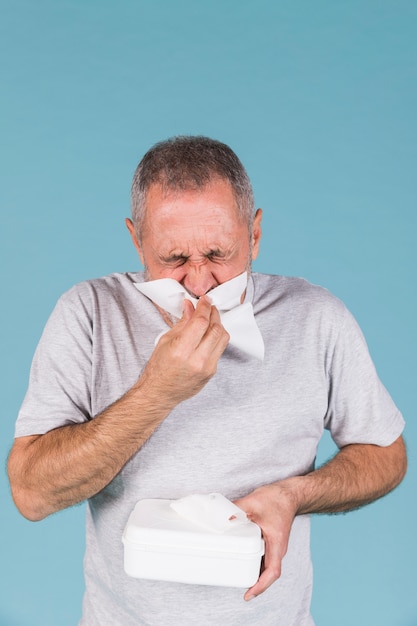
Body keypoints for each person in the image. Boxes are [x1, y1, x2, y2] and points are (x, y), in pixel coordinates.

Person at [8, 136, 406, 626]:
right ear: (137, 241)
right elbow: (30, 493)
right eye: (173, 260)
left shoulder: (317, 318)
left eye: (218, 254)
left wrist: (294, 496)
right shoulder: (88, 315)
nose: (199, 283)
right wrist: (158, 392)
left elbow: (386, 455)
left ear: (255, 234)